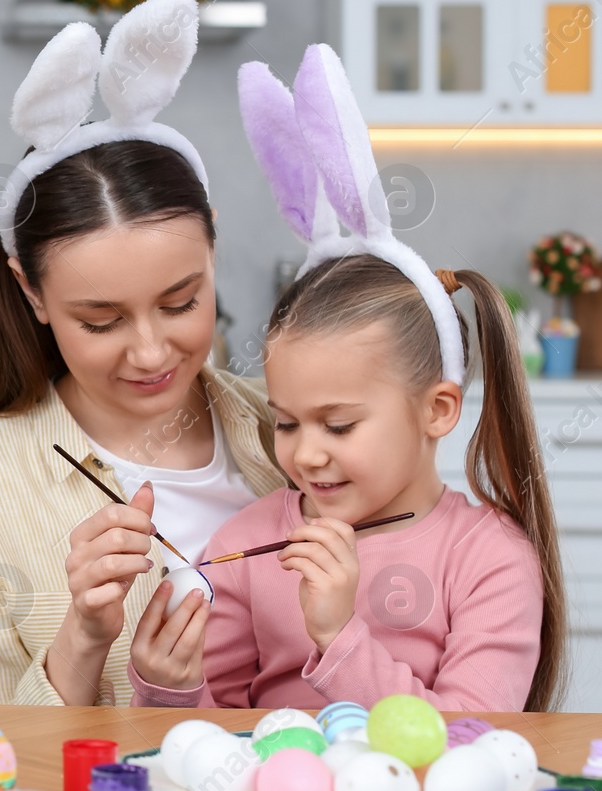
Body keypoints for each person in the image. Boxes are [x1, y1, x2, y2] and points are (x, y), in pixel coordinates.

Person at [129, 46, 565, 712]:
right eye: (286, 422)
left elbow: (467, 746)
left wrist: (340, 635)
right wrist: (167, 688)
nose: (305, 453)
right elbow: (202, 740)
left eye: (338, 424)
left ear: (439, 410)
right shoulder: (246, 543)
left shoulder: (491, 560)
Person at [0, 0, 286, 707]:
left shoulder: (288, 435)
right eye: (102, 321)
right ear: (32, 294)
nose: (151, 353)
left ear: (212, 244)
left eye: (181, 303)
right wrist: (82, 638)